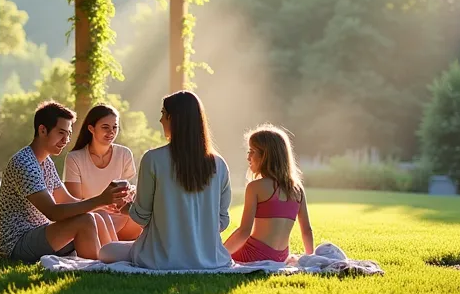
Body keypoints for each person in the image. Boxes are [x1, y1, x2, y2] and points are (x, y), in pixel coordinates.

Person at [99, 91, 233, 269]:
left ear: (173, 118)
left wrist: (126, 209)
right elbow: (222, 221)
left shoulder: (153, 159)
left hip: (160, 257)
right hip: (210, 257)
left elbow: (141, 217)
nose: (160, 120)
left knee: (105, 251)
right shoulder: (219, 164)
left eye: (163, 114)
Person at [0, 101, 132, 263]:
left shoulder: (46, 162)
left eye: (68, 134)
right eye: (61, 133)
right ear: (43, 130)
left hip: (42, 233)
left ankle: (114, 260)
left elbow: (67, 200)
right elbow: (53, 212)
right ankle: (98, 269)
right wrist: (99, 200)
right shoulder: (24, 164)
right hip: (18, 244)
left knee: (98, 214)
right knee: (85, 220)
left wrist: (102, 205)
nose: (66, 140)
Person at [224, 125, 315, 263]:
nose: (248, 157)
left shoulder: (255, 187)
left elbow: (244, 232)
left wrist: (220, 254)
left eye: (252, 151)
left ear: (266, 155)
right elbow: (307, 230)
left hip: (253, 254)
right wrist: (310, 259)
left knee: (220, 255)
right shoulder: (297, 189)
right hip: (281, 257)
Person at [64, 104, 143, 240]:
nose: (111, 132)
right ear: (91, 128)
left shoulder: (124, 154)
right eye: (105, 127)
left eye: (115, 127)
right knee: (102, 218)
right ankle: (112, 247)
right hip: (92, 221)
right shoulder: (75, 158)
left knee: (144, 214)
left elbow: (131, 193)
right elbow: (74, 204)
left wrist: (130, 193)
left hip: (123, 220)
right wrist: (101, 205)